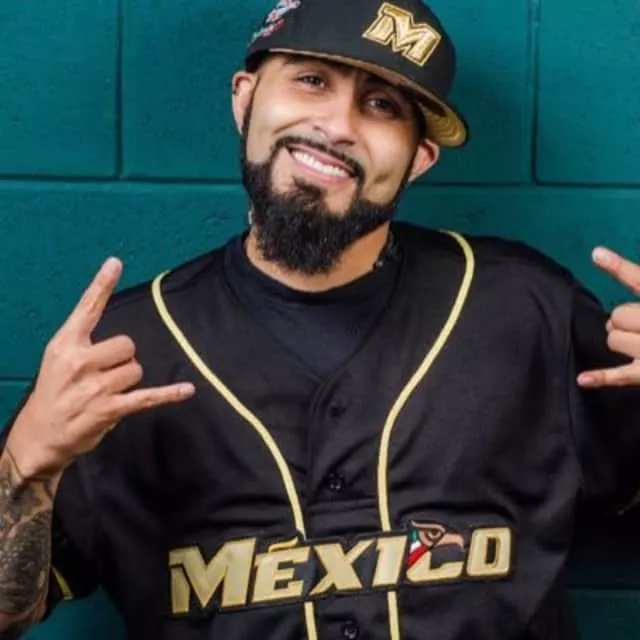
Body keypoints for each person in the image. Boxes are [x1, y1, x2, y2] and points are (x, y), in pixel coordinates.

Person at [1, 0, 640, 638]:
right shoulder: (127, 350)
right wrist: (25, 464)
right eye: (311, 80)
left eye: (382, 105)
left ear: (419, 157)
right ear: (245, 99)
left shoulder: (528, 308)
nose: (338, 126)